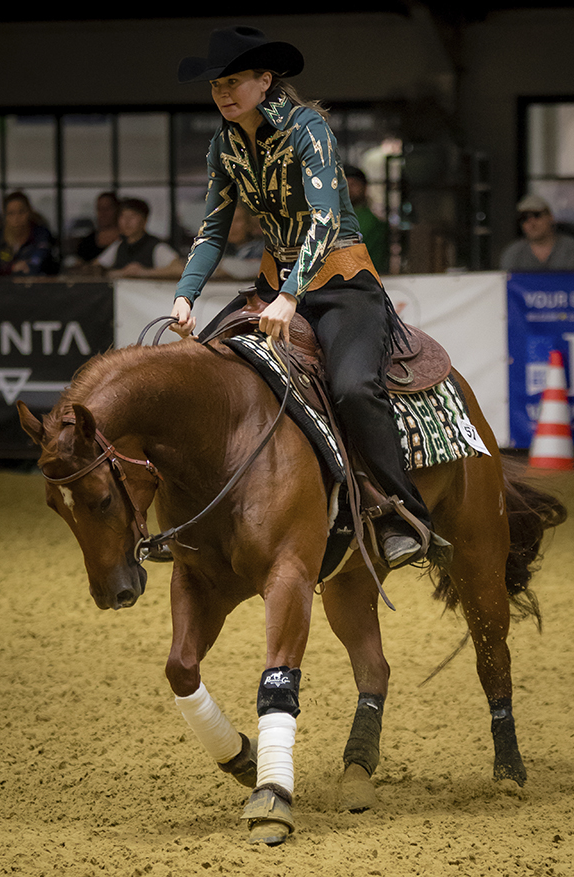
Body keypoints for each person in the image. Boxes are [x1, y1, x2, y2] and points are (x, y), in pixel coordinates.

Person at [171, 25, 433, 568]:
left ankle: (402, 511)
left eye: (235, 81)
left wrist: (291, 294)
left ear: (265, 81)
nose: (223, 92)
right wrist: (186, 295)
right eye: (217, 84)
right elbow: (213, 229)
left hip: (340, 282)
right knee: (203, 371)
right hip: (274, 286)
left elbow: (326, 216)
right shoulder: (223, 146)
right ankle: (198, 513)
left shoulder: (307, 128)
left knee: (356, 388)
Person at [95, 197, 185, 279]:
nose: (127, 221)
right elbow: (96, 268)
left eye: (132, 216)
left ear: (144, 220)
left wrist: (144, 272)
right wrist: (120, 273)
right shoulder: (118, 246)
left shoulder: (155, 246)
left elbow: (179, 269)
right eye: (123, 216)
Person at [500, 194, 574, 272]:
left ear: (550, 217)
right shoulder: (513, 252)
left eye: (537, 215)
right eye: (524, 218)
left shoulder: (571, 248)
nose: (532, 223)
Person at [0, 191, 58, 276]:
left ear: (29, 212)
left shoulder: (41, 235)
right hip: (2, 287)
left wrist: (24, 266)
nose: (16, 218)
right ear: (5, 216)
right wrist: (12, 267)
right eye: (11, 213)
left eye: (21, 212)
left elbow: (37, 264)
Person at [344, 165, 390, 274]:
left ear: (364, 188)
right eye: (345, 185)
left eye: (353, 184)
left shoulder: (372, 222)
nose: (349, 189)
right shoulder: (333, 218)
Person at [211, 201, 265, 280]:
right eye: (228, 220)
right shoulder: (223, 249)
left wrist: (221, 265)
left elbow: (251, 270)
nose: (231, 226)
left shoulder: (263, 249)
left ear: (249, 223)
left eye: (237, 220)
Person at [74, 192, 121, 266]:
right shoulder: (88, 241)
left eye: (107, 209)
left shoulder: (125, 239)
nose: (103, 213)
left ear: (117, 209)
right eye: (99, 209)